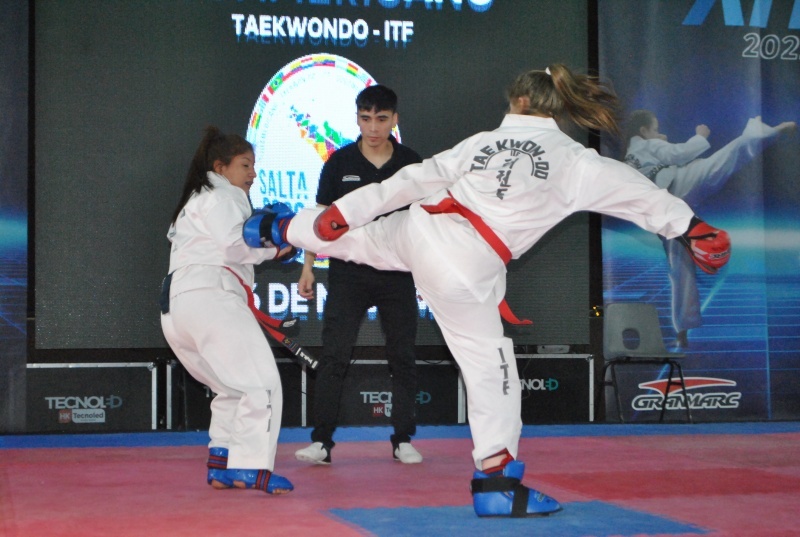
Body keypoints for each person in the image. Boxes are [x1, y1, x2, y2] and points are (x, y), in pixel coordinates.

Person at [246, 64, 731, 518]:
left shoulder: (482, 142)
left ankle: (278, 226)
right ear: (555, 105)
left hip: (420, 228)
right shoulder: (573, 159)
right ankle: (496, 482)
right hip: (463, 263)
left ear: (518, 100)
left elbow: (414, 178)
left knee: (358, 240)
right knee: (488, 364)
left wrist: (341, 214)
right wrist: (692, 226)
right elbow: (633, 190)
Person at [160, 126, 295, 495]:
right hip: (211, 297)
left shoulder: (196, 199)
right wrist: (278, 248)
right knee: (262, 385)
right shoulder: (224, 195)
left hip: (178, 309)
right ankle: (251, 468)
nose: (253, 174)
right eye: (245, 165)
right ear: (220, 167)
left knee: (230, 388)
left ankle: (221, 463)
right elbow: (236, 245)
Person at [294, 85, 424, 466]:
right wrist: (307, 266)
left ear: (395, 120)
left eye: (381, 119)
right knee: (334, 355)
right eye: (366, 118)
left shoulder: (411, 163)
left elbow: (428, 222)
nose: (373, 127)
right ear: (357, 118)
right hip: (348, 274)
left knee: (402, 356)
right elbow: (318, 219)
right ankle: (321, 443)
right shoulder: (339, 162)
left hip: (397, 273)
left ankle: (403, 439)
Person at [624, 110, 796, 347]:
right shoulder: (647, 145)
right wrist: (699, 135)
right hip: (677, 188)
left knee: (679, 267)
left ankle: (682, 330)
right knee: (725, 158)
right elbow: (679, 153)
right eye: (655, 129)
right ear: (643, 131)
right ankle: (762, 132)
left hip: (664, 212)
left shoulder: (631, 157)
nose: (659, 133)